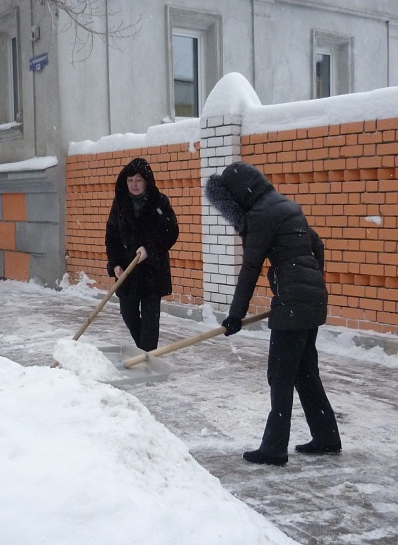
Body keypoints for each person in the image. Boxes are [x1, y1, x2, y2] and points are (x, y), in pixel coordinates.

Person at [205, 162, 341, 467]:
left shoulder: (261, 215)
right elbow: (316, 245)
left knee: (280, 375)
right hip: (312, 301)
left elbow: (250, 268)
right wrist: (306, 283)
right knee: (305, 372)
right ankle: (327, 436)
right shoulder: (285, 205)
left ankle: (274, 448)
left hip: (293, 305)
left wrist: (235, 316)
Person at [105, 157, 179, 351]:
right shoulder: (120, 204)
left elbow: (171, 232)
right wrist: (115, 264)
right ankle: (144, 352)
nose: (134, 184)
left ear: (146, 181)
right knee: (127, 313)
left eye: (138, 179)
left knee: (150, 319)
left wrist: (149, 249)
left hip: (152, 272)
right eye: (130, 180)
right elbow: (112, 235)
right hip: (127, 272)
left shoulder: (159, 202)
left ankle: (147, 355)